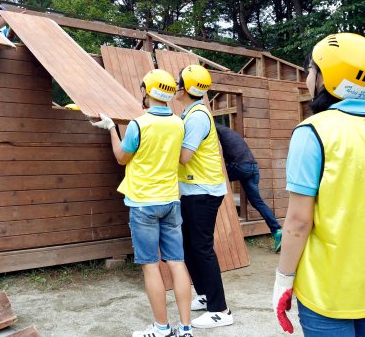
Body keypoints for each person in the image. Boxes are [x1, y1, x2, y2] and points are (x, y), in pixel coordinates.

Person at [273, 33, 365, 336]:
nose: (307, 77)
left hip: (327, 292)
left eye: (310, 70)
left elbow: (299, 221)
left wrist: (283, 279)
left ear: (325, 77)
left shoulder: (312, 131)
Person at [90, 69, 193, 337]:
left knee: (151, 265)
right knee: (177, 262)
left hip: (144, 203)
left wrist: (112, 128)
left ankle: (161, 329)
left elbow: (121, 157)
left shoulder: (139, 124)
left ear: (147, 92)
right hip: (171, 201)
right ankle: (185, 328)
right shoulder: (179, 123)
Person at [174, 64, 233, 329]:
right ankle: (205, 295)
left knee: (201, 248)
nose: (175, 87)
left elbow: (184, 157)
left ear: (185, 88)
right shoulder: (191, 113)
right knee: (189, 246)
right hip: (194, 190)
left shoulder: (197, 116)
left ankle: (220, 310)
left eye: (178, 82)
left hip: (203, 191)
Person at [215, 123, 283, 252]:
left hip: (240, 166)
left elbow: (217, 151)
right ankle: (277, 230)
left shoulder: (213, 129)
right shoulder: (228, 131)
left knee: (213, 179)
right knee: (257, 202)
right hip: (253, 167)